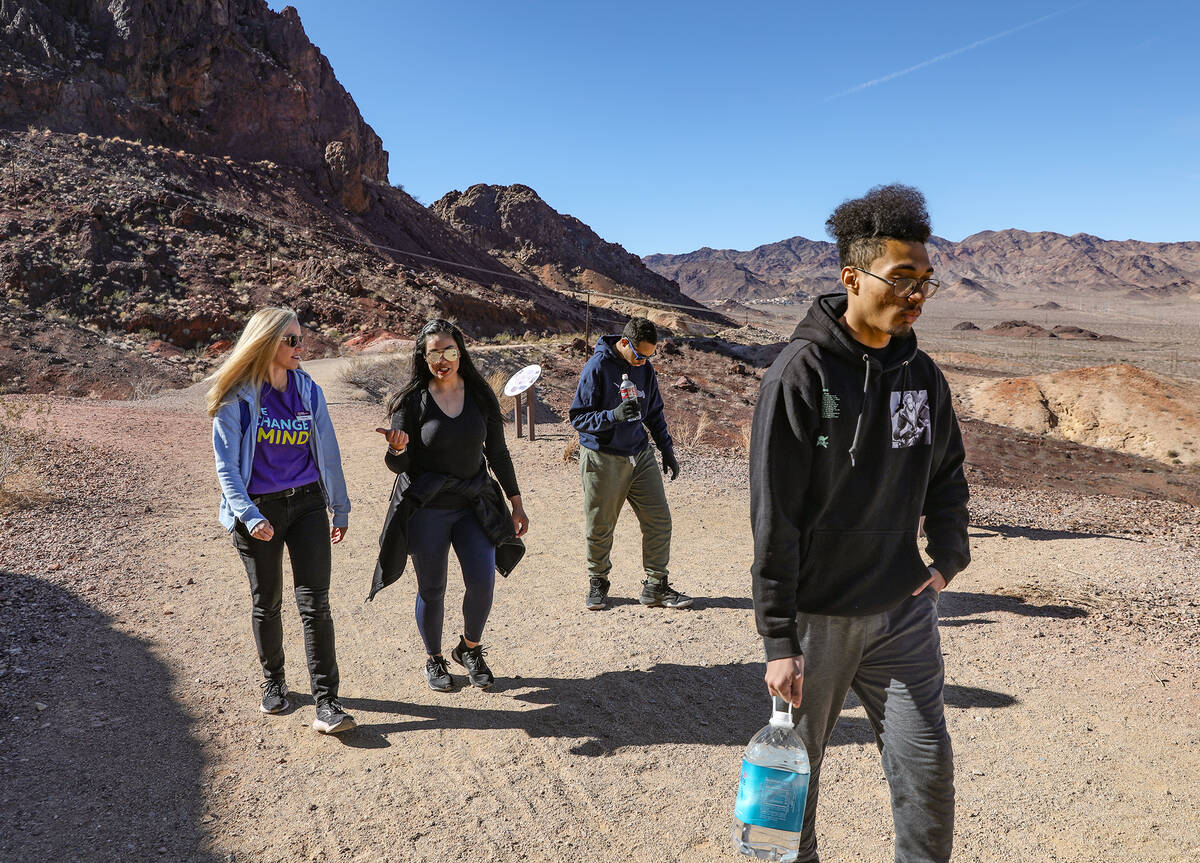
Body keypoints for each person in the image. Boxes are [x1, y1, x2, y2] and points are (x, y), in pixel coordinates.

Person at [750, 184, 970, 863]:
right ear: (852, 277)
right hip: (819, 620)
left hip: (902, 612)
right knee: (794, 782)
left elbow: (947, 470)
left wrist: (948, 555)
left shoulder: (922, 376)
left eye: (925, 282)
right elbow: (774, 514)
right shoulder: (801, 374)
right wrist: (779, 636)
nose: (916, 295)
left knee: (927, 769)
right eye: (902, 279)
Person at [208, 307, 355, 734]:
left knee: (316, 604)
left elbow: (327, 451)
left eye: (300, 339)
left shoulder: (307, 390)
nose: (299, 347)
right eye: (290, 340)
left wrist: (339, 506)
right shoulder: (238, 395)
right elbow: (227, 468)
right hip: (259, 510)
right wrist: (249, 515)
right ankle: (274, 683)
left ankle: (328, 703)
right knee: (267, 600)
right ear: (266, 342)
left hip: (307, 503)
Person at [370, 319, 528, 692]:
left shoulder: (480, 396)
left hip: (473, 501)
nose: (442, 359)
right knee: (433, 588)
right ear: (423, 358)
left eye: (449, 351)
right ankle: (435, 659)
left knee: (482, 581)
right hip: (428, 507)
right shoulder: (411, 401)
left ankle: (469, 649)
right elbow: (400, 465)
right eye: (433, 353)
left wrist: (516, 503)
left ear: (460, 351)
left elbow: (499, 454)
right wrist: (396, 447)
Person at [569, 316, 690, 611]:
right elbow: (578, 418)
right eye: (638, 355)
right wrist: (613, 416)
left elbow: (655, 412)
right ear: (624, 343)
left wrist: (666, 448)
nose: (642, 362)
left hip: (640, 453)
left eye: (649, 356)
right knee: (600, 525)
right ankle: (598, 581)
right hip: (603, 457)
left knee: (659, 520)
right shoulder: (597, 368)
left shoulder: (645, 370)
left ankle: (656, 586)